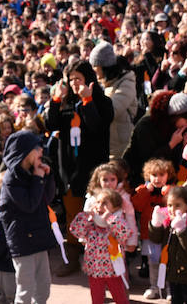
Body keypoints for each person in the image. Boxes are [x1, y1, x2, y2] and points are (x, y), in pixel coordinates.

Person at [42, 59, 112, 276]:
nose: (74, 84)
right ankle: (72, 258)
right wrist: (55, 100)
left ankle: (100, 259)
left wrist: (87, 100)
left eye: (78, 79)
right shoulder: (64, 103)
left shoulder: (102, 101)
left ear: (88, 79)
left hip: (92, 168)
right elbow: (50, 125)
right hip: (69, 169)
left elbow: (98, 127)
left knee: (97, 214)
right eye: (71, 79)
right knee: (73, 215)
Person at [0, 130, 57, 304]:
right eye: (37, 148)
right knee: (26, 290)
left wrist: (47, 177)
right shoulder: (12, 179)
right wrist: (38, 179)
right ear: (25, 152)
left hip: (39, 236)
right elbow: (30, 205)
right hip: (23, 241)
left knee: (43, 288)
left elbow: (48, 197)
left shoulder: (34, 172)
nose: (41, 151)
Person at [148, 187, 187, 304]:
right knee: (175, 299)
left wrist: (182, 230)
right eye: (170, 205)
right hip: (172, 272)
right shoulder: (168, 221)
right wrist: (155, 225)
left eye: (177, 205)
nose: (172, 209)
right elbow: (155, 239)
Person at [123, 91, 187, 186]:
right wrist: (171, 145)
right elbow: (147, 160)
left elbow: (178, 164)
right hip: (142, 181)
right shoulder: (147, 126)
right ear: (175, 116)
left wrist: (186, 147)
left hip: (167, 182)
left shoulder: (182, 130)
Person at [69, 188, 132, 304]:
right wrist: (85, 216)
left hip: (113, 270)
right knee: (97, 299)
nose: (100, 206)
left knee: (120, 298)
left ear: (115, 208)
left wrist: (109, 218)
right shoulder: (90, 223)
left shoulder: (116, 222)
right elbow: (75, 230)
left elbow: (125, 233)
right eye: (98, 202)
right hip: (94, 270)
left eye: (105, 203)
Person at [132, 158, 175, 299]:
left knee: (170, 262)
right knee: (153, 262)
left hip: (169, 235)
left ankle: (170, 288)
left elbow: (177, 204)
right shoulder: (142, 189)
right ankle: (154, 286)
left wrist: (167, 192)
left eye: (161, 175)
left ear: (168, 175)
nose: (157, 179)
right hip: (149, 234)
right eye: (154, 175)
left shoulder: (172, 190)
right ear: (148, 176)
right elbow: (137, 206)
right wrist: (145, 191)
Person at [89, 43, 136, 157]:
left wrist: (94, 93)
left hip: (121, 147)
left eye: (95, 67)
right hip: (106, 144)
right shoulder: (103, 82)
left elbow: (112, 110)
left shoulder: (126, 82)